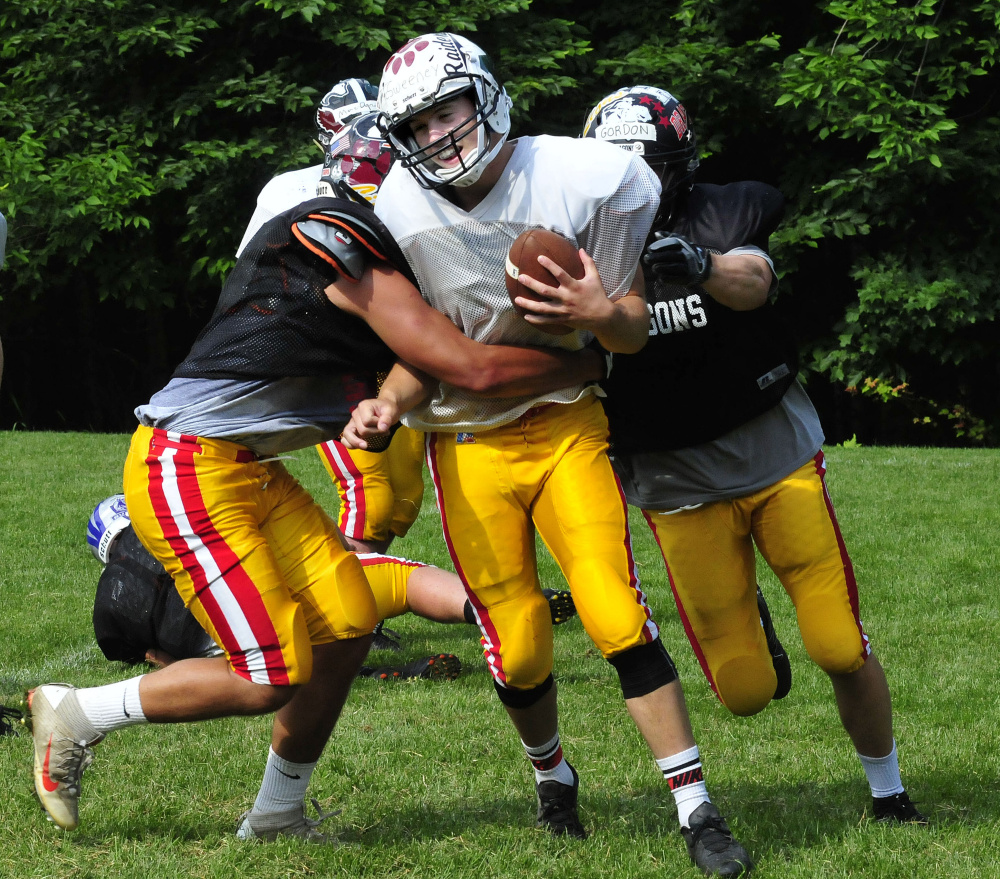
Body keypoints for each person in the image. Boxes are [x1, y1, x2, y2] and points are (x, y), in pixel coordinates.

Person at [25, 119, 606, 840]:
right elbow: (468, 367)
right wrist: (591, 361)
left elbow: (427, 360)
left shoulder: (347, 241)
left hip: (246, 469)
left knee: (350, 617)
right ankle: (77, 713)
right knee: (267, 671)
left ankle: (275, 814)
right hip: (186, 467)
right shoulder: (344, 244)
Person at [355, 32, 752, 877]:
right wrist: (386, 402)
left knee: (613, 611)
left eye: (446, 110)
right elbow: (421, 351)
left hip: (566, 418)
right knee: (520, 642)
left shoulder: (583, 175)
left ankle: (696, 807)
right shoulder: (398, 207)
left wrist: (598, 307)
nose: (437, 136)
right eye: (416, 124)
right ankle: (553, 779)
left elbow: (632, 333)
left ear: (486, 97)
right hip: (466, 439)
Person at [583, 85, 926, 824]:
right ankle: (754, 623)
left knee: (838, 644)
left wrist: (700, 265)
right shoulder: (584, 239)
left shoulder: (726, 208)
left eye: (643, 170)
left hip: (772, 453)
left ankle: (889, 792)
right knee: (743, 691)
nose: (629, 188)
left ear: (678, 165)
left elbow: (755, 281)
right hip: (674, 479)